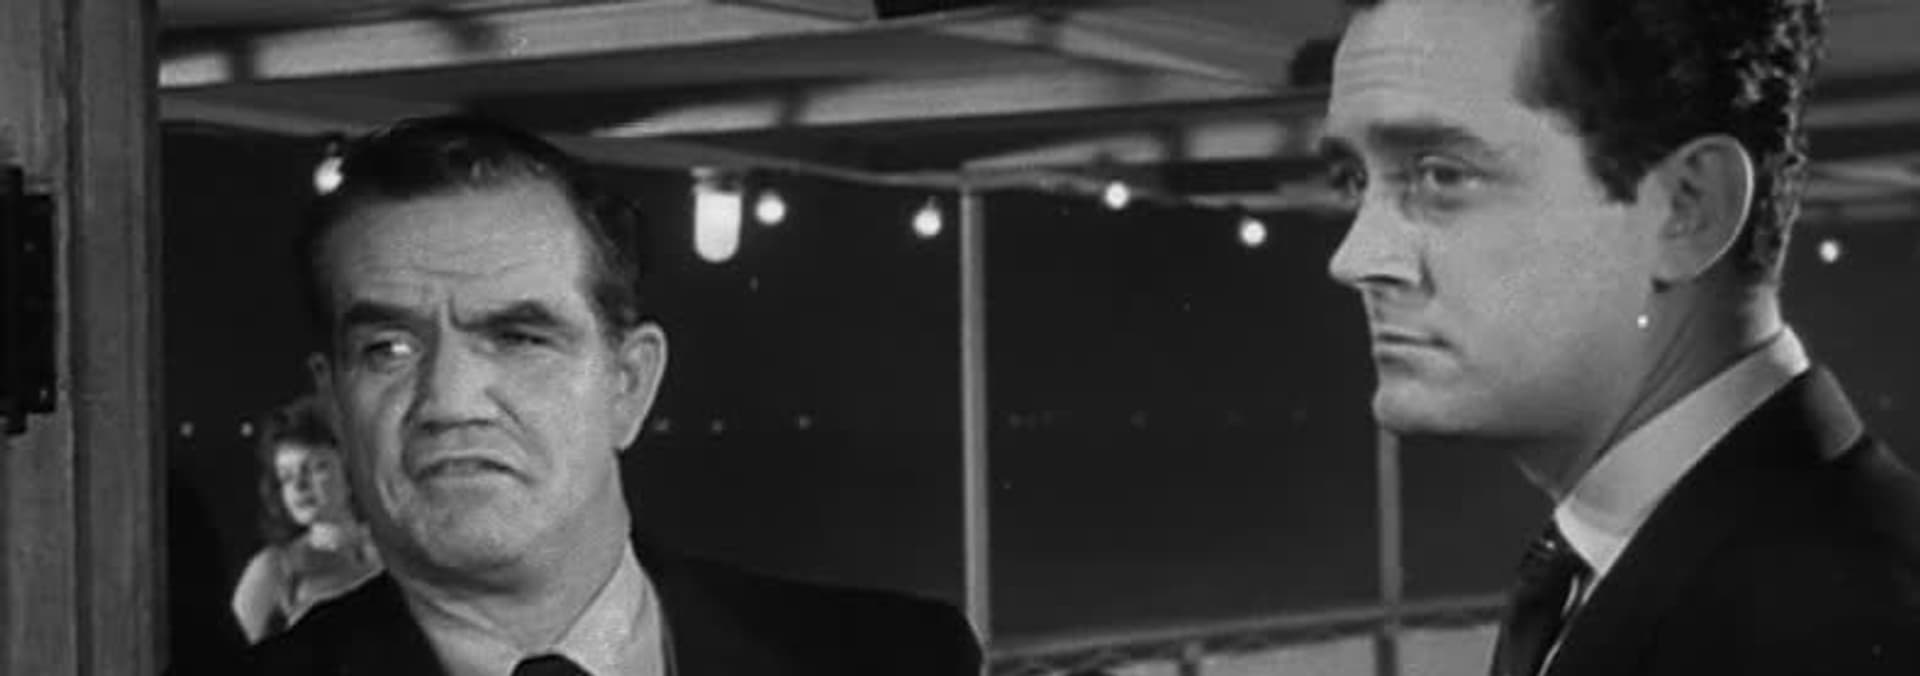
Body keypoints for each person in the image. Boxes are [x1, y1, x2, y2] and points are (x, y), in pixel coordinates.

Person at [234, 115, 981, 675]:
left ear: (629, 384)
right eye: (388, 350)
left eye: (519, 338)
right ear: (335, 402)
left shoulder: (894, 660)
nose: (450, 400)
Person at [1320, 0, 1920, 675]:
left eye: (1442, 175)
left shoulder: (1845, 632)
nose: (1354, 257)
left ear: (1688, 207)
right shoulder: (1636, 559)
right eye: (1354, 180)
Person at [230, 395, 383, 643]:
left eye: (315, 468)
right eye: (286, 476)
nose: (299, 486)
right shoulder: (273, 568)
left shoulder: (402, 554)